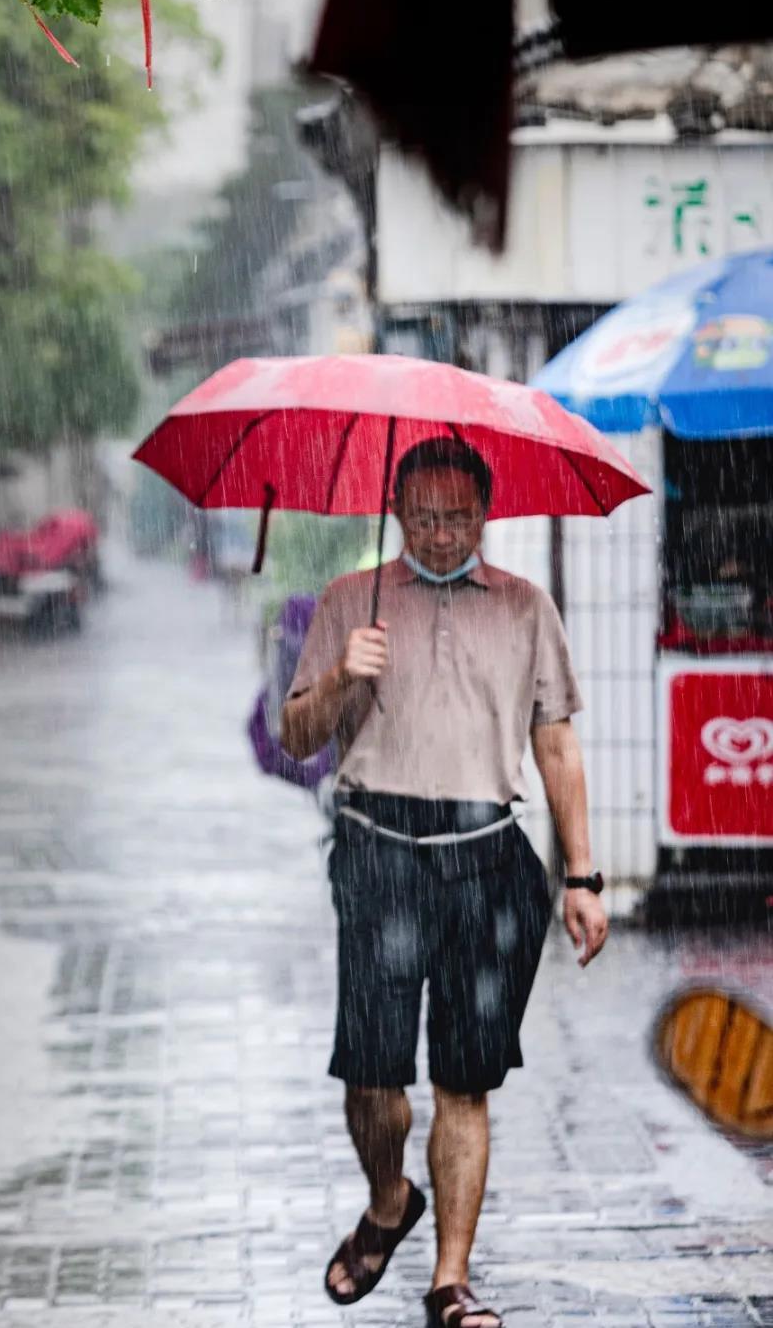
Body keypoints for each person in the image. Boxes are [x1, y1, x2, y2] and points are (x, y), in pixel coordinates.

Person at [280, 438, 608, 1328]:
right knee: (373, 1079)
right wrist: (345, 672)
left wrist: (582, 875)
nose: (438, 532)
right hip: (378, 850)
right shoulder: (354, 603)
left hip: (490, 858)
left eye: (455, 516)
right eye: (422, 516)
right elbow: (296, 737)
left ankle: (449, 1283)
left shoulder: (525, 608)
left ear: (484, 514)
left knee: (466, 1081)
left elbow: (556, 744)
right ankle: (390, 1200)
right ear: (395, 511)